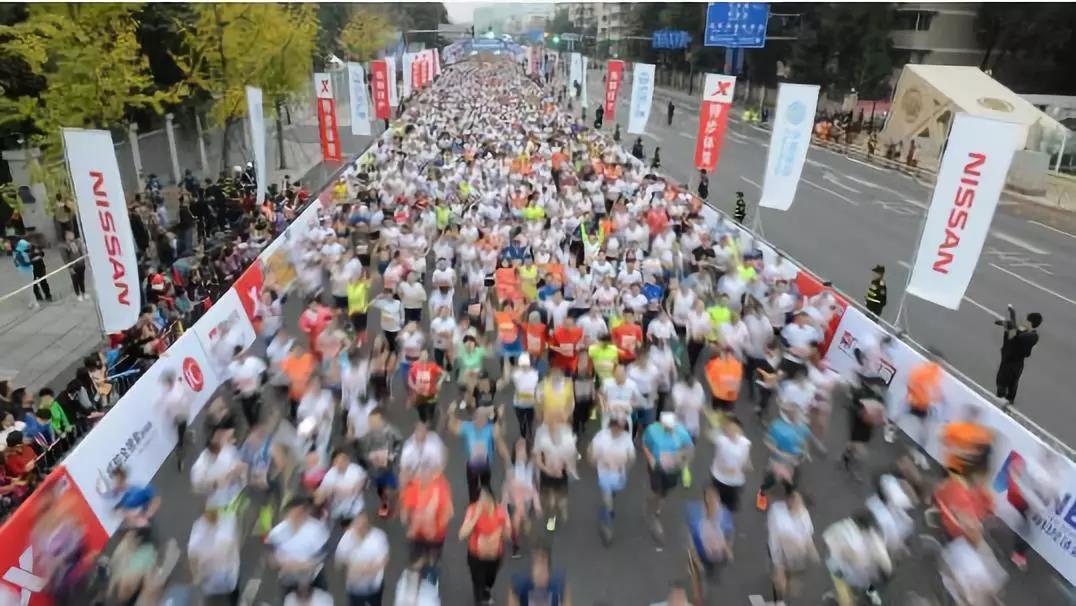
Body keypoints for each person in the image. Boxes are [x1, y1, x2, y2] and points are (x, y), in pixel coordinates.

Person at [642, 411, 694, 549]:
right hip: (657, 468)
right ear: (662, 424)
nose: (670, 429)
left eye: (672, 427)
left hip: (673, 470)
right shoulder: (652, 430)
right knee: (657, 490)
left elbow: (689, 449)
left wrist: (683, 463)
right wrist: (650, 458)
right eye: (668, 427)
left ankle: (657, 505)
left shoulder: (681, 432)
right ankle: (654, 511)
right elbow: (645, 444)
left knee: (666, 491)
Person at [267, 498, 331, 597]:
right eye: (294, 512)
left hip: (313, 579)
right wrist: (285, 564)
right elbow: (272, 560)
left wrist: (301, 565)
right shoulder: (277, 533)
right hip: (289, 581)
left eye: (301, 512)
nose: (297, 515)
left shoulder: (316, 529)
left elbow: (322, 556)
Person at [459, 485, 511, 605]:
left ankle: (485, 591)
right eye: (480, 499)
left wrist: (503, 528)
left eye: (484, 498)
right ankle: (480, 598)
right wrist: (475, 518)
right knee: (478, 583)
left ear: (492, 498)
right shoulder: (472, 510)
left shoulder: (501, 512)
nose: (482, 502)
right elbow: (462, 535)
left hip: (494, 556)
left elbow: (508, 536)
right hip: (476, 556)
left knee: (490, 580)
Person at [187, 505, 241, 604]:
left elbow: (235, 541)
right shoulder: (198, 533)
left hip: (228, 575)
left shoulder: (228, 520)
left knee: (232, 596)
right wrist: (196, 575)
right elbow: (193, 558)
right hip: (213, 580)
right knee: (217, 600)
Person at [685, 485, 734, 592]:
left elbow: (729, 534)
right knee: (698, 573)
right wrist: (695, 558)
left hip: (719, 554)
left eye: (715, 501)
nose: (713, 505)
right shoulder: (695, 515)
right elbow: (690, 538)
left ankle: (711, 573)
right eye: (709, 502)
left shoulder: (724, 515)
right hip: (701, 553)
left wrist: (728, 549)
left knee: (715, 567)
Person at [335, 511, 390, 606]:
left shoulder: (378, 536)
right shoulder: (346, 538)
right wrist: (353, 568)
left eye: (363, 522)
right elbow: (339, 563)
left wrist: (363, 569)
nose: (360, 526)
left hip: (374, 586)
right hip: (354, 588)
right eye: (357, 522)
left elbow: (384, 560)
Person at [994, 305, 1041, 406]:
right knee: (1013, 383)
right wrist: (1007, 324)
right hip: (1017, 363)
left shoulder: (1029, 336)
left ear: (1030, 323)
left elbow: (1014, 334)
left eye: (1026, 321)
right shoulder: (1032, 335)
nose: (1024, 322)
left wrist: (1012, 318)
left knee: (1002, 383)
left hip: (1009, 363)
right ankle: (1009, 401)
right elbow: (1015, 330)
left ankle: (1001, 402)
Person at [59, 230, 88, 301]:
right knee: (75, 281)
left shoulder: (78, 242)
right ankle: (78, 294)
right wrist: (70, 267)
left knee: (81, 279)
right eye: (69, 234)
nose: (71, 235)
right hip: (73, 266)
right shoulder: (64, 247)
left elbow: (82, 252)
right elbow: (65, 259)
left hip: (81, 264)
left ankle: (83, 292)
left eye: (71, 234)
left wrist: (84, 261)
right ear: (66, 237)